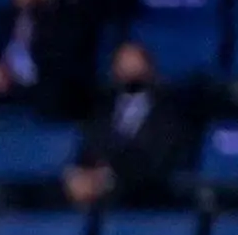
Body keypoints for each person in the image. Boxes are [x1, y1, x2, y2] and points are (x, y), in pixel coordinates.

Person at [63, 40, 191, 208]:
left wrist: (108, 178)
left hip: (147, 191)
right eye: (123, 64)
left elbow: (161, 158)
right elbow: (90, 148)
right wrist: (81, 175)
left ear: (149, 67)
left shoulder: (168, 110)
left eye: (134, 64)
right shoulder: (102, 109)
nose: (129, 70)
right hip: (101, 191)